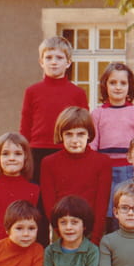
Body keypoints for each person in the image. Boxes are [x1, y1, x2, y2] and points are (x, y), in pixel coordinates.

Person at [19, 36, 88, 182]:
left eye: (59, 58)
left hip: (67, 150)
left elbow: (85, 126)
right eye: (49, 57)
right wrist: (24, 153)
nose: (54, 62)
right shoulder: (32, 91)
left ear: (68, 62)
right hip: (37, 151)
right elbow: (25, 125)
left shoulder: (78, 93)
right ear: (41, 62)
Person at [40, 107, 112, 244]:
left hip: (92, 233)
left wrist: (95, 240)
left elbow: (102, 204)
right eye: (69, 134)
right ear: (61, 135)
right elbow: (49, 205)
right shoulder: (49, 163)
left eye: (80, 134)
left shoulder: (102, 162)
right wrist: (61, 233)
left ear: (89, 135)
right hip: (61, 231)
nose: (74, 140)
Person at [0, 132, 48, 258]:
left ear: (26, 157)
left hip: (28, 257)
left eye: (18, 154)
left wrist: (43, 256)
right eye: (5, 154)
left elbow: (42, 230)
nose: (12, 158)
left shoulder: (36, 190)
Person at [90, 62, 134, 187]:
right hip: (104, 167)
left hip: (130, 168)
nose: (118, 87)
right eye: (113, 83)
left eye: (123, 83)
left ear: (129, 86)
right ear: (105, 85)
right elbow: (93, 144)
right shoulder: (97, 113)